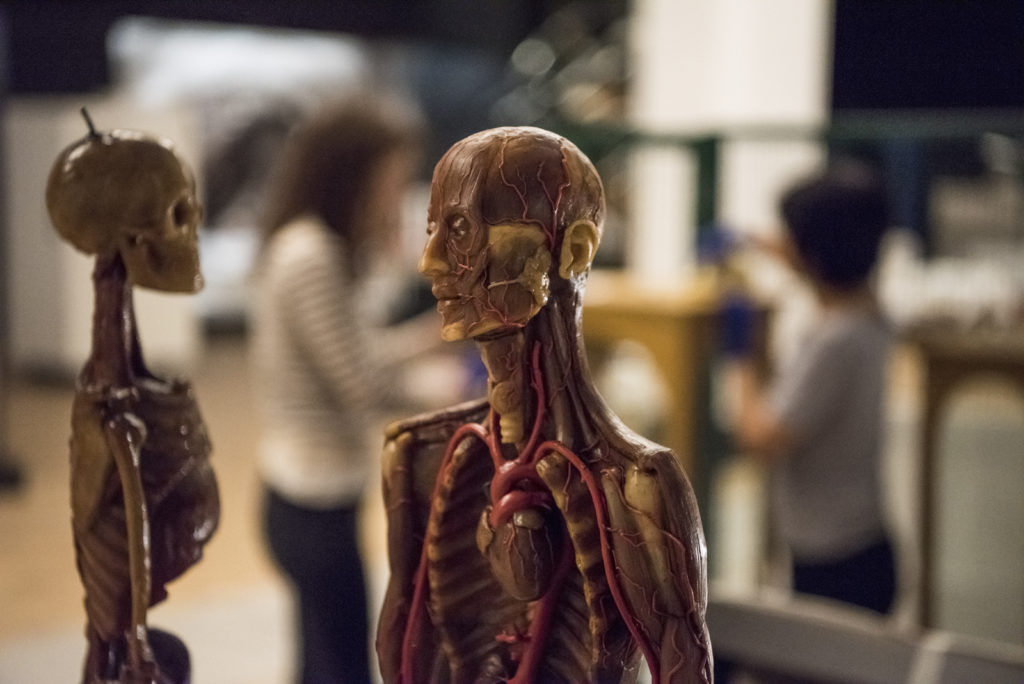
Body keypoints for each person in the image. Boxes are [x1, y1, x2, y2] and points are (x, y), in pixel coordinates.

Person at [250, 96, 439, 684]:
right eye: (392, 180)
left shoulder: (316, 247)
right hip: (310, 497)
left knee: (320, 661)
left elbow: (357, 351)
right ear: (352, 175)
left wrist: (436, 334)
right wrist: (450, 383)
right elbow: (362, 384)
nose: (397, 195)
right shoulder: (310, 256)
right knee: (343, 667)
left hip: (308, 492)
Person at [722, 158, 897, 615]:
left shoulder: (831, 344)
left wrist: (739, 354)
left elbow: (761, 436)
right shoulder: (871, 312)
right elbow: (813, 257)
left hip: (834, 563)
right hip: (865, 546)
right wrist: (747, 241)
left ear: (812, 255)